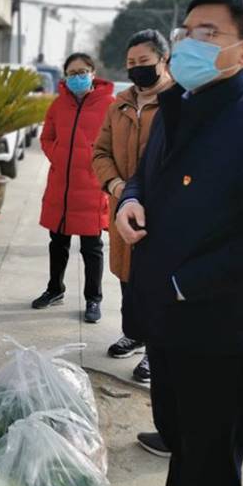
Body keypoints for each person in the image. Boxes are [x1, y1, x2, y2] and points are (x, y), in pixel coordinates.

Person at [117, 0, 243, 486]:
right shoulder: (178, 106)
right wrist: (129, 199)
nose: (189, 43)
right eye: (186, 31)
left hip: (218, 328)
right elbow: (147, 172)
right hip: (166, 318)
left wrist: (183, 284)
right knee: (180, 434)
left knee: (213, 458)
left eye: (208, 33)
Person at [93, 29, 173, 383]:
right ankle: (135, 332)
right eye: (131, 63)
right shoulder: (119, 104)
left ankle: (158, 350)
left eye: (144, 62)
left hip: (163, 213)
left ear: (163, 61)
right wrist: (116, 185)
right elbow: (100, 152)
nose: (136, 69)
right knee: (127, 277)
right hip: (121, 205)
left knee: (157, 282)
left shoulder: (179, 104)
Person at [32, 52, 114, 323]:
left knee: (92, 247)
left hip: (92, 187)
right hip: (61, 186)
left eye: (82, 71)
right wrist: (58, 155)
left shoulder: (109, 105)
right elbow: (47, 137)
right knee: (58, 243)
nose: (77, 77)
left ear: (92, 73)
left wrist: (100, 169)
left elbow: (115, 144)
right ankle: (55, 289)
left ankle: (93, 299)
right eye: (72, 72)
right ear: (65, 76)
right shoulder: (58, 105)